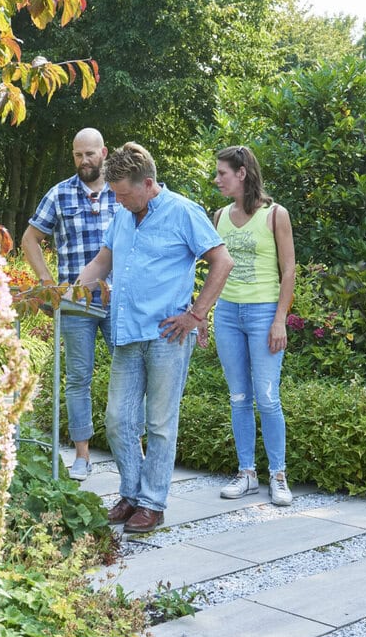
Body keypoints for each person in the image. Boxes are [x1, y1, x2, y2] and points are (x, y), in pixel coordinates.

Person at [76, 142, 233, 532]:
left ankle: (152, 503)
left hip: (167, 337)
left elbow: (222, 261)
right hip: (127, 333)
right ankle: (131, 494)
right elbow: (102, 262)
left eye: (123, 194)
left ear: (147, 184)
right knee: (118, 421)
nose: (118, 201)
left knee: (160, 423)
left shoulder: (184, 212)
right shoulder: (123, 216)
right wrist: (67, 293)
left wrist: (196, 314)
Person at [21, 128, 118, 481]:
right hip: (76, 303)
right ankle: (82, 456)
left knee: (129, 373)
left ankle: (132, 449)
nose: (84, 160)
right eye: (78, 155)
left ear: (103, 153)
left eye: (90, 153)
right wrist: (48, 284)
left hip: (119, 299)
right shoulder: (60, 194)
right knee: (78, 378)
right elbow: (30, 238)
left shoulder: (121, 191)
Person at [210, 145, 296, 506]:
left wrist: (279, 320)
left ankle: (278, 475)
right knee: (239, 397)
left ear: (242, 173)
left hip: (263, 314)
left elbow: (288, 271)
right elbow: (213, 270)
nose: (217, 180)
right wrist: (203, 315)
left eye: (222, 174)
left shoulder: (275, 214)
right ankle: (247, 474)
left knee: (267, 397)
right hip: (228, 314)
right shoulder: (219, 216)